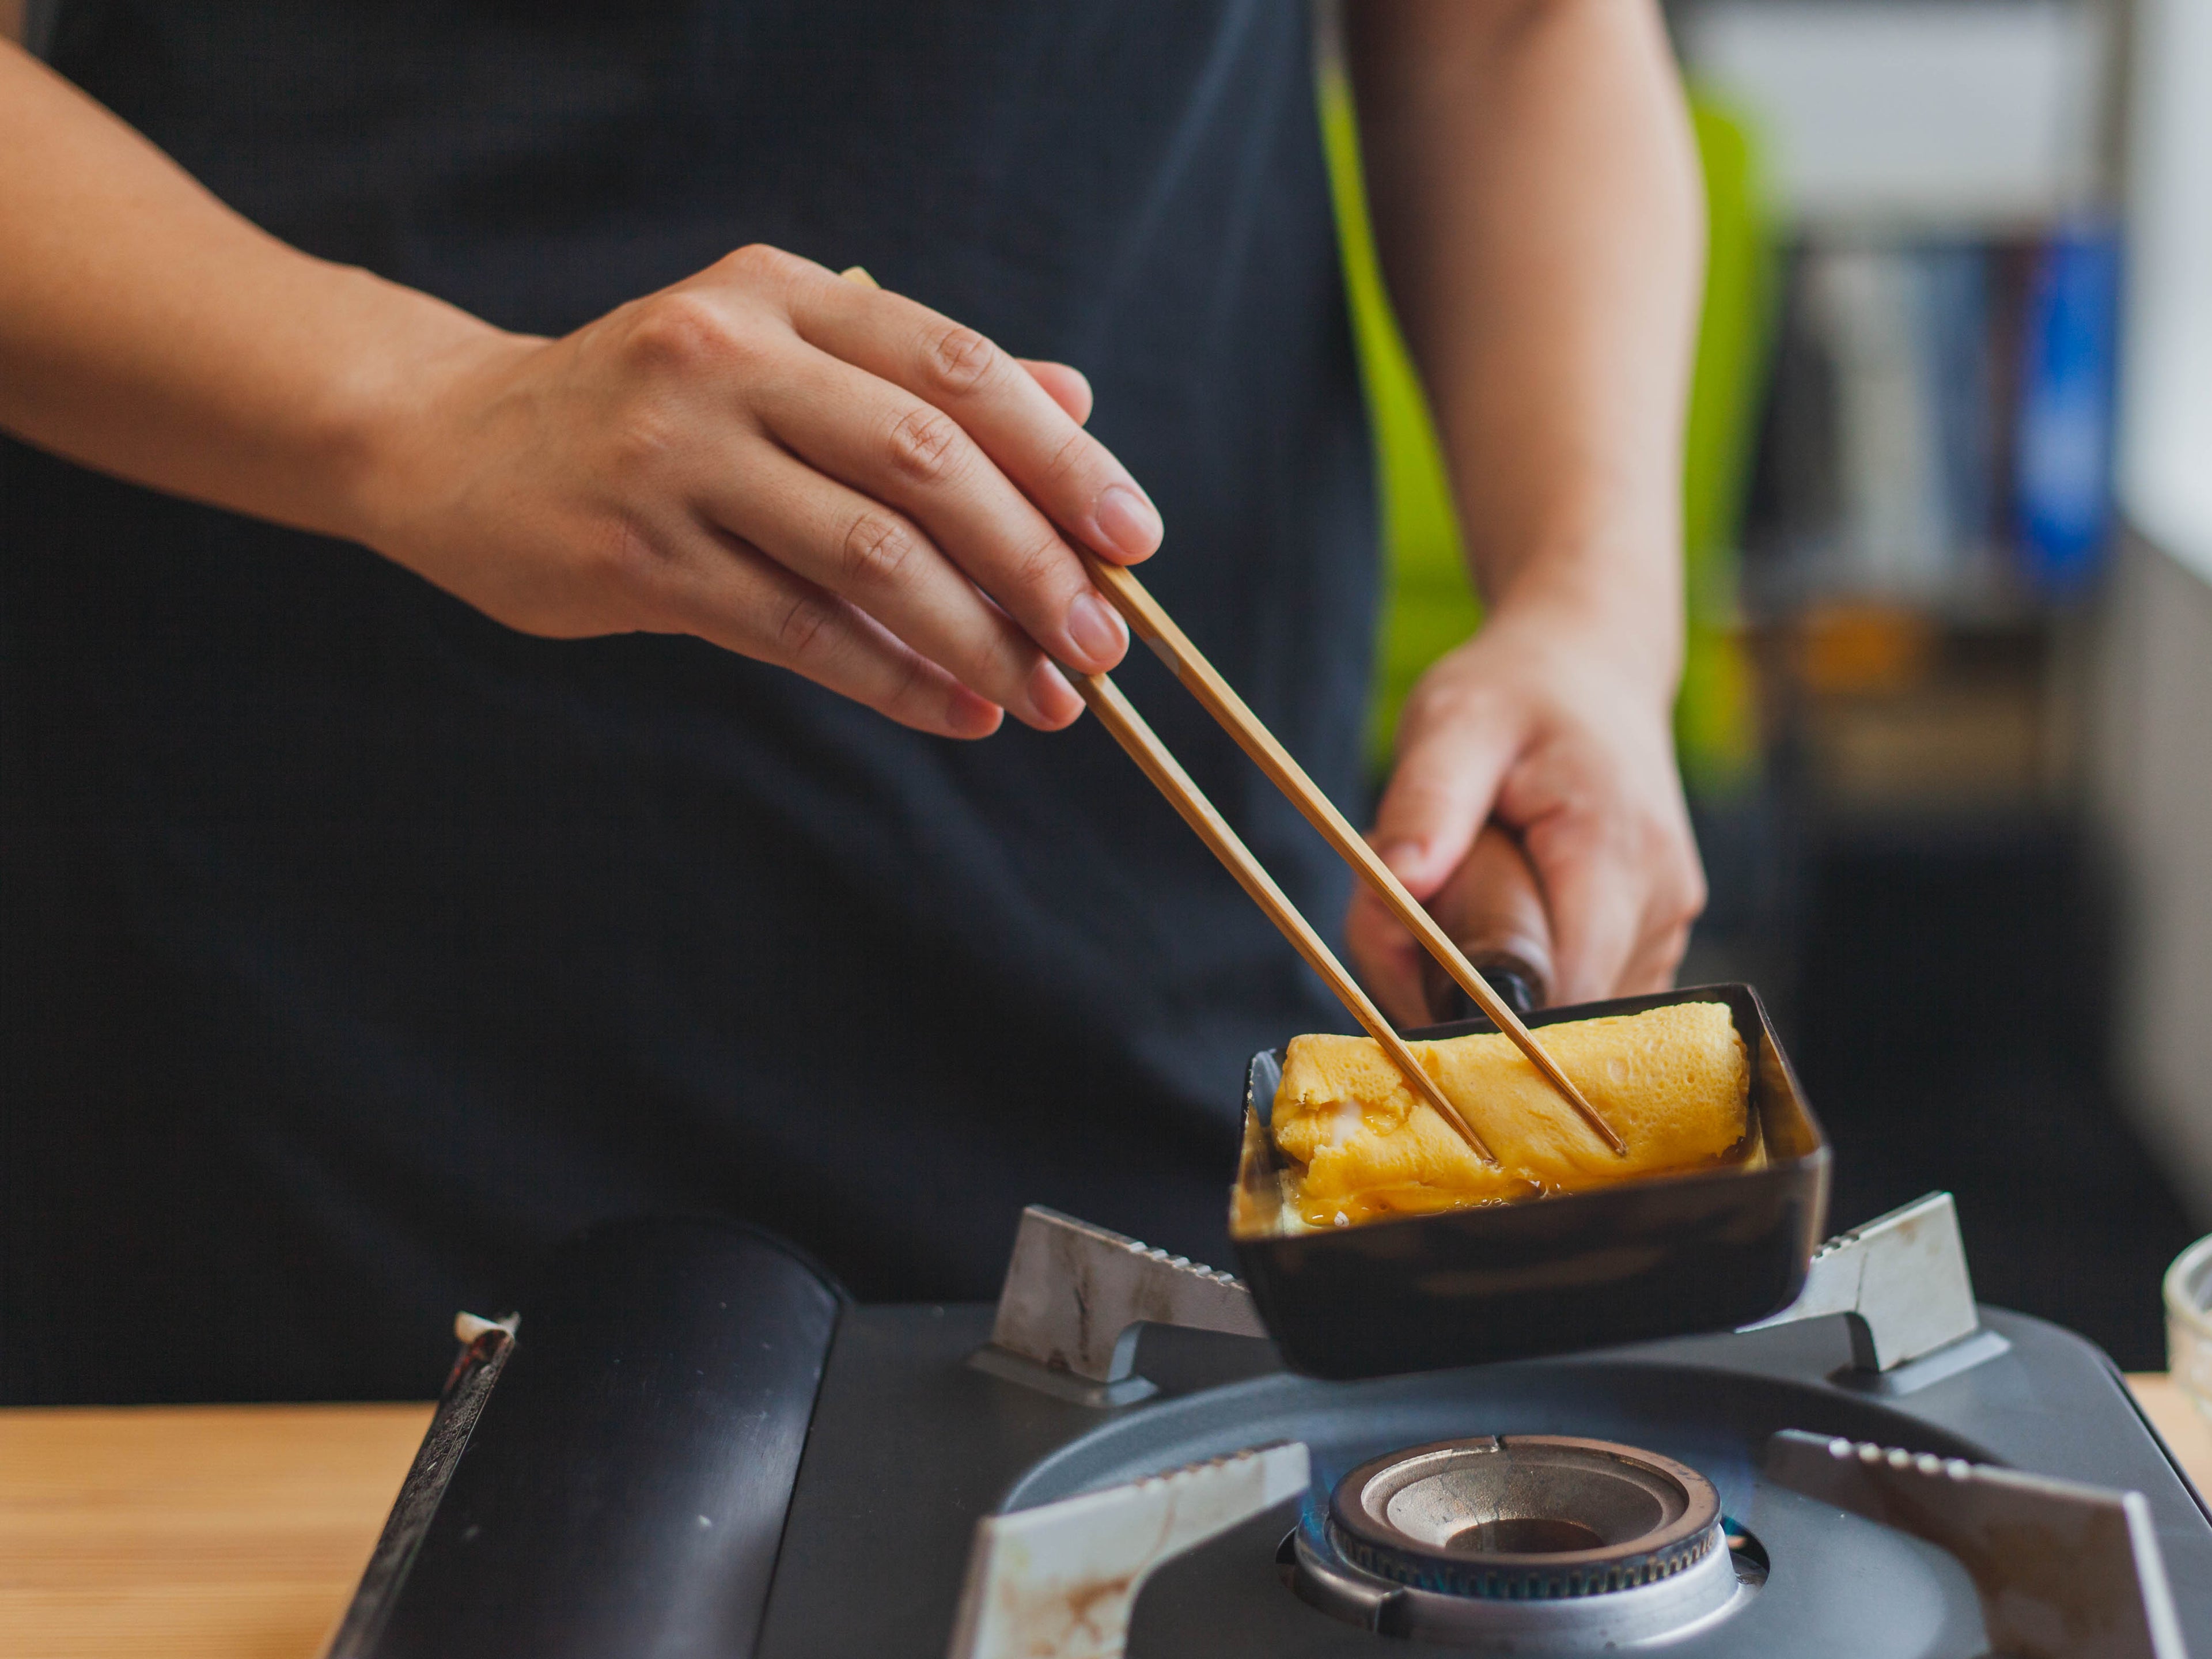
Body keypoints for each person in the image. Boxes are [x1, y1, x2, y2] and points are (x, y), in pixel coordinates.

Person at [0, 1, 1706, 1403]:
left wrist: (1594, 600)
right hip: (315, 960)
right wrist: (429, 404)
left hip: (1139, 933)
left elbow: (1510, 30)